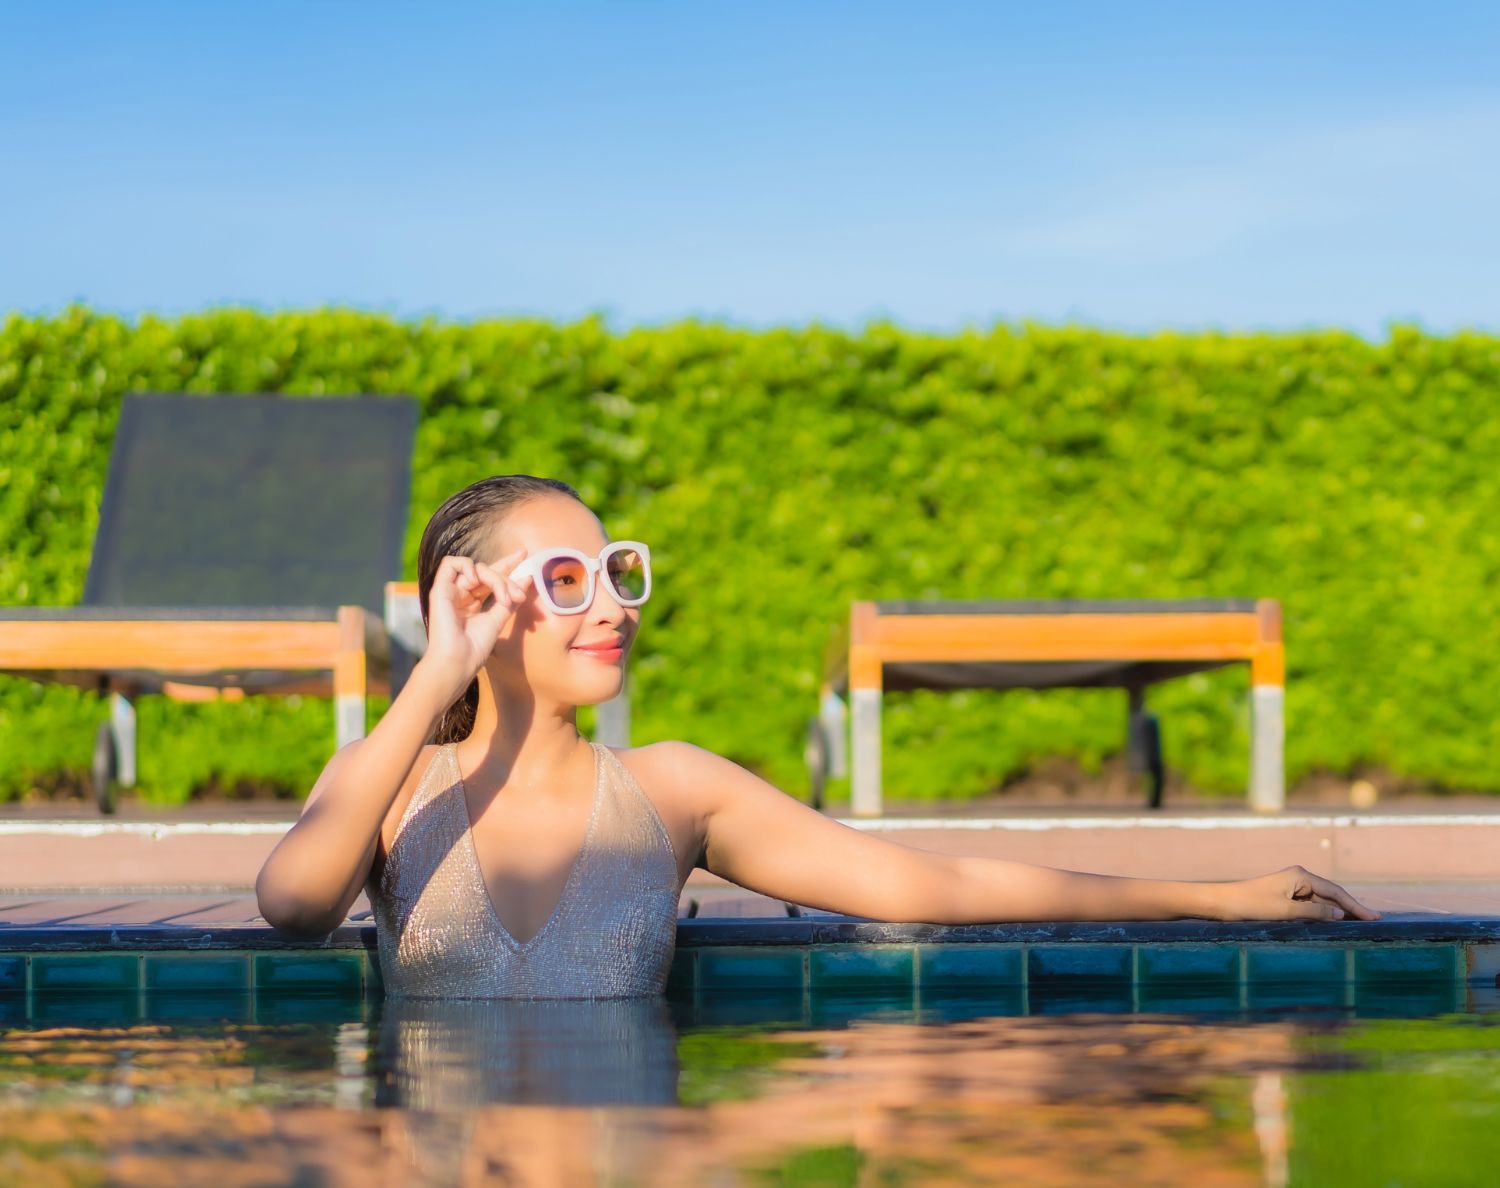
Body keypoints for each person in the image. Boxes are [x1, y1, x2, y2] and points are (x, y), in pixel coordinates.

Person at [255, 475, 1377, 998]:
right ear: (475, 600)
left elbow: (930, 884)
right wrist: (435, 669)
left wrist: (1214, 897)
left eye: (618, 572)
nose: (614, 606)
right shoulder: (395, 781)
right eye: (568, 579)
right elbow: (295, 907)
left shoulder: (674, 790)